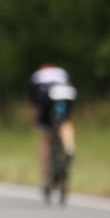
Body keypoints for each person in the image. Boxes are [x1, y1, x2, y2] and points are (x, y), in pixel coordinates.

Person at [28, 63, 77, 192]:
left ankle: (45, 177)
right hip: (65, 92)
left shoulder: (37, 76)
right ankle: (69, 148)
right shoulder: (62, 72)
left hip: (46, 94)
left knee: (45, 136)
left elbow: (35, 106)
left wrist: (36, 122)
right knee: (65, 123)